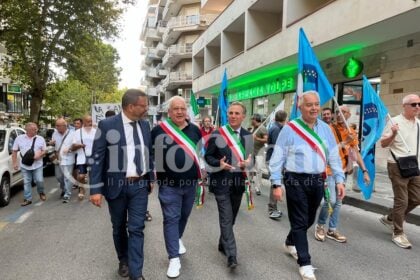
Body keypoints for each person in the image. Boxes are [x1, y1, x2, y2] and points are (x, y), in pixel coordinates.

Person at [269, 91, 345, 280]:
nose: (313, 108)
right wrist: (276, 183)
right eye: (309, 104)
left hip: (318, 179)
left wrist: (339, 179)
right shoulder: (290, 128)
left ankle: (290, 241)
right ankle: (305, 261)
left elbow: (333, 155)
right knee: (300, 220)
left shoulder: (326, 129)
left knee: (309, 219)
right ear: (300, 107)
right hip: (295, 179)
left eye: (316, 104)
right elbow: (277, 157)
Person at [89, 89, 154, 280]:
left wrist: (149, 178)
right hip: (115, 185)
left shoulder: (144, 125)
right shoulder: (107, 125)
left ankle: (136, 273)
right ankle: (123, 260)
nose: (146, 109)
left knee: (136, 228)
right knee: (118, 227)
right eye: (143, 105)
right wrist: (95, 190)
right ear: (130, 106)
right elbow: (97, 158)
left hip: (139, 186)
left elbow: (147, 153)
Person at [151, 96, 203, 278]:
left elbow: (198, 155)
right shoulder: (158, 131)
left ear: (186, 111)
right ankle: (173, 258)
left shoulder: (196, 131)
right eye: (176, 109)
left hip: (191, 184)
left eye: (182, 108)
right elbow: (151, 155)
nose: (180, 112)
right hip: (168, 186)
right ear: (169, 112)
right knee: (171, 219)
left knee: (183, 216)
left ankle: (176, 238)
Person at [205, 102, 253, 269]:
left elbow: (250, 160)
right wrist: (219, 163)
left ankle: (222, 243)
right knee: (226, 218)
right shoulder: (218, 134)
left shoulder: (247, 136)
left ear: (243, 116)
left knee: (231, 219)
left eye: (237, 113)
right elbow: (208, 158)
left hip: (238, 184)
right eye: (231, 113)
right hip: (221, 183)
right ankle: (232, 255)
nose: (233, 116)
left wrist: (248, 163)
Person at [315, 105, 370, 243]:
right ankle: (320, 225)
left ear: (348, 115)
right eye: (338, 112)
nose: (339, 115)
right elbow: (328, 151)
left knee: (338, 202)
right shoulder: (329, 129)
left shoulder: (351, 132)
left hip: (342, 172)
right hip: (328, 170)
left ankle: (332, 230)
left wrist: (365, 171)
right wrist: (345, 142)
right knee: (330, 200)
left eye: (343, 112)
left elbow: (356, 153)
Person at [379, 94, 420, 249]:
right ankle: (398, 232)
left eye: (419, 104)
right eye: (413, 104)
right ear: (405, 106)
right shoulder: (394, 121)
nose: (417, 107)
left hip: (414, 166)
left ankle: (390, 218)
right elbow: (383, 143)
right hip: (397, 165)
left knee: (416, 198)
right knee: (401, 200)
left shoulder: (418, 124)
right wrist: (393, 134)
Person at [12, 122, 47, 206]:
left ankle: (41, 192)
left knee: (39, 180)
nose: (36, 130)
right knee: (27, 182)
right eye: (34, 129)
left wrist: (39, 155)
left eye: (36, 129)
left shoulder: (40, 138)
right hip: (25, 165)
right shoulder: (19, 138)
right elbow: (14, 151)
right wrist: (14, 163)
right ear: (27, 130)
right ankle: (28, 199)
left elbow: (44, 151)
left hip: (37, 164)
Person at [265, 110, 287, 219]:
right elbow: (277, 147)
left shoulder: (275, 127)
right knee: (275, 184)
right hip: (274, 161)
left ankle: (273, 208)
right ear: (285, 118)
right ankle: (272, 209)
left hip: (273, 159)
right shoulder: (277, 129)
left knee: (276, 183)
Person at [71, 115, 96, 200]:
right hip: (82, 157)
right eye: (88, 121)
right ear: (83, 122)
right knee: (81, 176)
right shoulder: (77, 133)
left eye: (91, 121)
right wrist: (79, 145)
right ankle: (82, 188)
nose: (90, 123)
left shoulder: (95, 131)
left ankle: (93, 193)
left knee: (93, 176)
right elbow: (73, 147)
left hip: (93, 158)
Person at [50, 118, 75, 203]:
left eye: (58, 126)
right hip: (58, 158)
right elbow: (54, 145)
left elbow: (76, 145)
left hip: (68, 158)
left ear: (64, 126)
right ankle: (64, 189)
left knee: (67, 177)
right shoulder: (55, 133)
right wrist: (51, 143)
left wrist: (70, 149)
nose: (56, 127)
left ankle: (67, 194)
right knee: (59, 176)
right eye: (56, 125)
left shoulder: (72, 134)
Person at [251, 113, 268, 195]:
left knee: (259, 170)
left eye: (252, 119)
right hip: (252, 152)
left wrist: (256, 138)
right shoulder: (254, 128)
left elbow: (266, 140)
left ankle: (257, 188)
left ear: (255, 120)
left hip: (259, 153)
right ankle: (249, 186)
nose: (251, 120)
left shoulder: (262, 128)